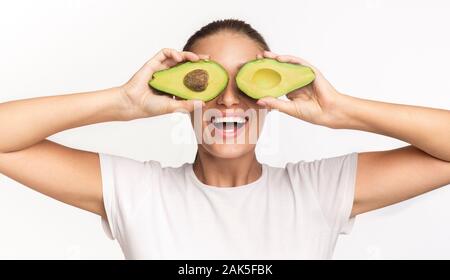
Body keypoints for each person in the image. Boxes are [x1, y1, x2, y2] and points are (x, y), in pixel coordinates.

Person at [0, 19, 449, 260]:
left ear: (273, 97)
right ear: (179, 94)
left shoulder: (319, 190)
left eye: (248, 84)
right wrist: (122, 102)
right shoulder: (136, 191)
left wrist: (342, 111)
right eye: (208, 82)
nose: (230, 103)